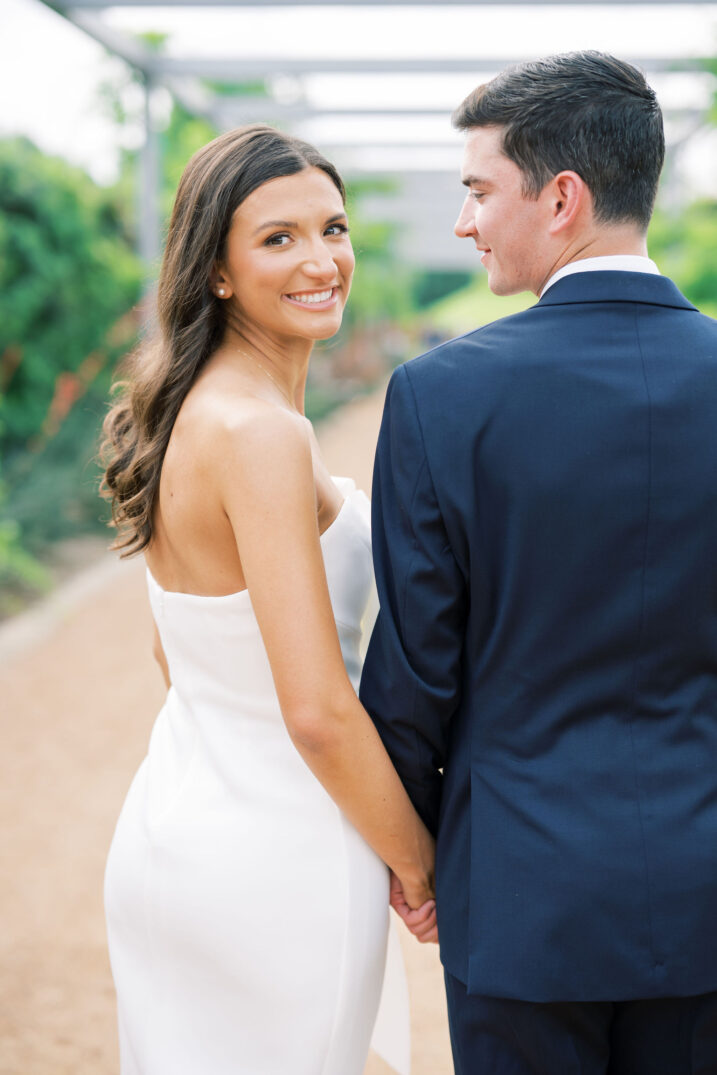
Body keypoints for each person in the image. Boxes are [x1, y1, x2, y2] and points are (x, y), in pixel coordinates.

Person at [360, 52, 717, 1074]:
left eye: (477, 190)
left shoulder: (441, 395)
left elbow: (417, 676)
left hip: (520, 898)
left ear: (562, 197)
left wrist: (416, 857)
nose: (465, 222)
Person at [101, 124, 436, 1075]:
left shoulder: (194, 411)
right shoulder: (259, 436)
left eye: (332, 227)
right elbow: (318, 711)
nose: (322, 259)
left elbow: (180, 657)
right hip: (279, 850)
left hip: (179, 823)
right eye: (278, 238)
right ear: (215, 270)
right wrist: (418, 860)